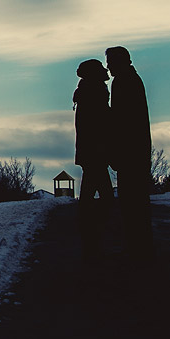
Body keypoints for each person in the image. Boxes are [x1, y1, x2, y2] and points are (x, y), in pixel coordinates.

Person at [106, 45, 153, 260]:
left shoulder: (125, 82)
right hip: (135, 150)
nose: (108, 66)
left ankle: (138, 250)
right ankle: (139, 247)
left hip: (131, 151)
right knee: (135, 202)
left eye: (111, 61)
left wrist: (116, 151)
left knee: (133, 202)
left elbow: (122, 121)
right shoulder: (130, 79)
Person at [73, 58, 114, 261]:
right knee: (97, 182)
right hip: (96, 146)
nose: (105, 71)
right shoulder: (94, 90)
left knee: (93, 181)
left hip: (91, 147)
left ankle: (88, 219)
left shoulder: (86, 90)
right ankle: (97, 220)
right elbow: (100, 119)